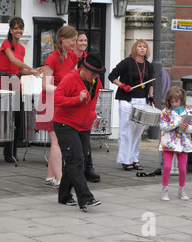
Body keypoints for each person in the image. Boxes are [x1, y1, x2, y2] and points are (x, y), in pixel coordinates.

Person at [53, 53, 104, 212]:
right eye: (93, 73)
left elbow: (92, 100)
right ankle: (86, 197)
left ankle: (64, 195)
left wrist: (92, 115)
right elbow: (56, 99)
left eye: (97, 74)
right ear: (84, 69)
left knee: (75, 161)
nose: (95, 77)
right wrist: (76, 99)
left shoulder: (95, 80)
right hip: (65, 124)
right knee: (77, 160)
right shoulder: (70, 79)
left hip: (84, 126)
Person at [35, 26, 78, 188]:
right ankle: (61, 180)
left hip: (62, 102)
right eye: (73, 40)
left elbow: (74, 77)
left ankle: (49, 177)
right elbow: (45, 85)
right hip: (50, 102)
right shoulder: (51, 59)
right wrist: (63, 91)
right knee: (56, 140)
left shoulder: (73, 57)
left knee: (58, 139)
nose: (75, 43)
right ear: (63, 40)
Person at [0, 17, 42, 163]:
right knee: (7, 117)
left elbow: (19, 70)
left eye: (21, 28)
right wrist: (31, 68)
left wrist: (33, 72)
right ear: (10, 30)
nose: (19, 31)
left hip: (16, 81)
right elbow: (13, 61)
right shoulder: (6, 44)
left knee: (17, 117)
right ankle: (7, 151)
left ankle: (13, 150)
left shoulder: (22, 48)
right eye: (16, 28)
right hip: (4, 80)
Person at [108, 39, 154, 171]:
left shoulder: (149, 66)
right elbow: (112, 76)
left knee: (138, 131)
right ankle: (125, 159)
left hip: (142, 101)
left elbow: (150, 84)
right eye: (139, 46)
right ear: (135, 48)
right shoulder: (127, 62)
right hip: (127, 100)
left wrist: (151, 96)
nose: (142, 48)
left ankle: (134, 159)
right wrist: (122, 85)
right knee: (126, 130)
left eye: (144, 46)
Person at [73, 31, 101, 183]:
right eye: (80, 40)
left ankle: (88, 167)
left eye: (85, 40)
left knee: (85, 139)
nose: (83, 43)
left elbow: (96, 86)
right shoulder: (70, 58)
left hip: (86, 104)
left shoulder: (88, 59)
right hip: (72, 100)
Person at [159, 86, 192, 201]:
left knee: (183, 169)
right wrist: (176, 123)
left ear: (182, 100)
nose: (174, 103)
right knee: (167, 166)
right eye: (171, 101)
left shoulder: (188, 111)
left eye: (176, 101)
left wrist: (186, 127)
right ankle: (164, 190)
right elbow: (163, 126)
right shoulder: (165, 111)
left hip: (183, 143)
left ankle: (182, 190)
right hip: (169, 143)